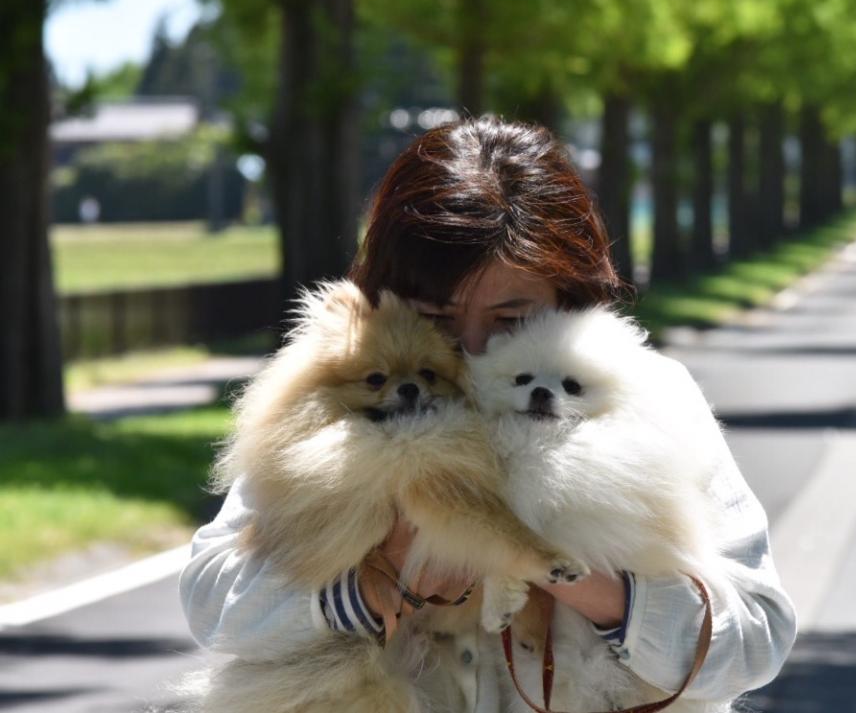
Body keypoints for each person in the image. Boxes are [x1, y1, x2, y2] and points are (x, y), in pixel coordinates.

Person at [180, 115, 796, 709]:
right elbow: (216, 607)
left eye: (511, 319)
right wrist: (386, 575)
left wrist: (564, 572)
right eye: (437, 316)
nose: (472, 347)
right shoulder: (341, 404)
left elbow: (757, 637)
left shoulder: (647, 393)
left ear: (570, 297)